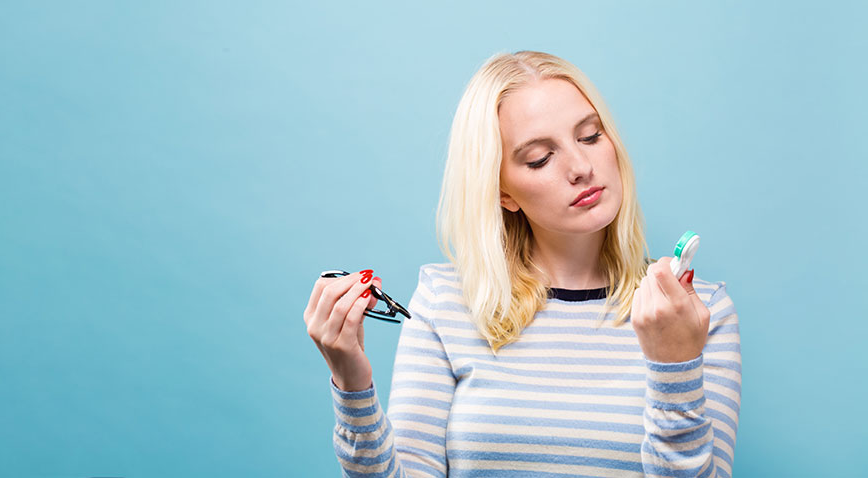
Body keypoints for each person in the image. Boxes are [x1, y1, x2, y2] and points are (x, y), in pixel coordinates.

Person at [303, 50, 741, 477]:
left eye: (590, 136)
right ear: (502, 192)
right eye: (539, 158)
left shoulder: (700, 312)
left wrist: (674, 365)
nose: (581, 166)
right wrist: (353, 385)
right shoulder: (444, 304)